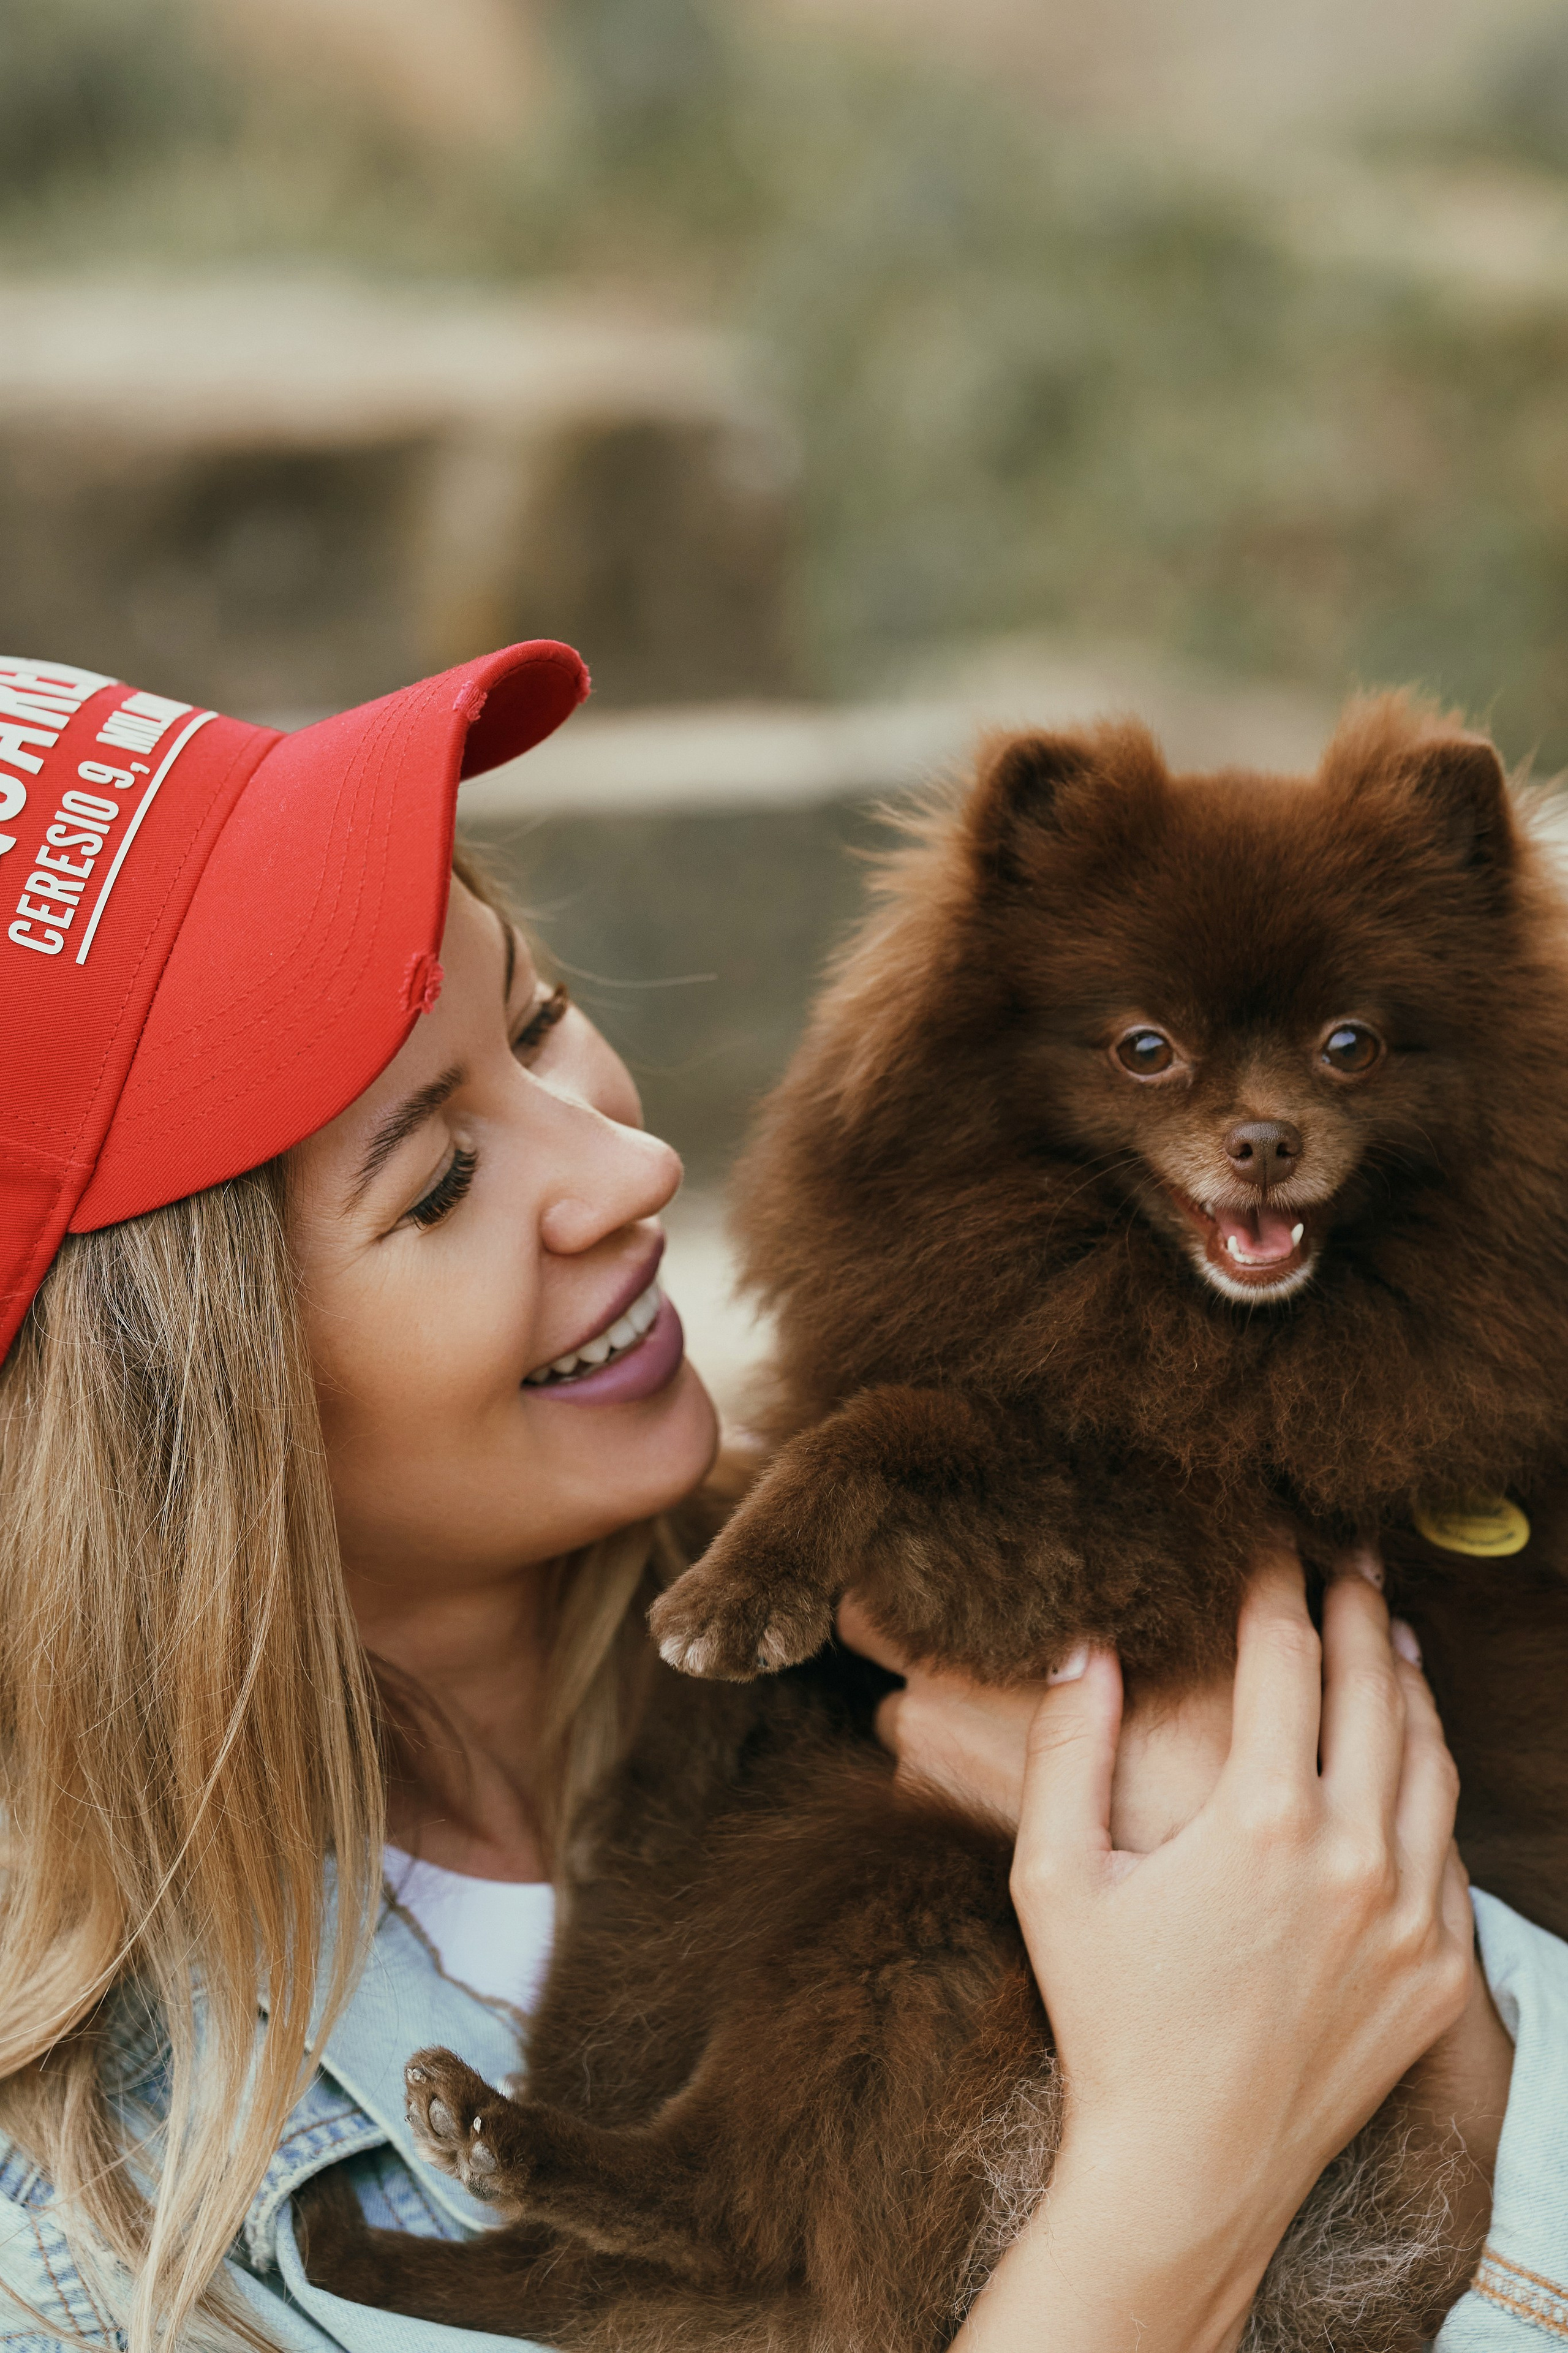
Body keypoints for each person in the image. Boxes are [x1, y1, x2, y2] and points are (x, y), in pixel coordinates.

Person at [0, 642, 1554, 2353]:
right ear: (166, 1408)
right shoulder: (86, 2229)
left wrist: (1438, 2007)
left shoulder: (929, 1592)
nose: (635, 1167)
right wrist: (1176, 2185)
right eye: (440, 1180)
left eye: (539, 1015)